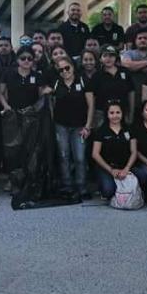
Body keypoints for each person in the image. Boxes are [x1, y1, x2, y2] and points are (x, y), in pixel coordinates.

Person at [50, 56, 94, 199]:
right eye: (61, 69)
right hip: (61, 126)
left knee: (80, 157)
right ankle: (67, 186)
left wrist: (88, 126)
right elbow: (51, 102)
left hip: (79, 126)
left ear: (73, 67)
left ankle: (82, 187)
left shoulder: (83, 80)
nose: (64, 71)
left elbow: (91, 105)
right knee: (63, 156)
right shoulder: (56, 83)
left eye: (67, 68)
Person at [91, 102, 147, 200]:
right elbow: (95, 154)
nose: (115, 116)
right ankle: (112, 186)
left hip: (127, 167)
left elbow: (134, 151)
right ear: (107, 115)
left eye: (118, 112)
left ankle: (128, 188)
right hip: (108, 168)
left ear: (122, 113)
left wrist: (126, 169)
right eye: (111, 113)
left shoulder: (129, 129)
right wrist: (111, 170)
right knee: (108, 191)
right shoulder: (101, 131)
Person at [0, 46, 50, 114]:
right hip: (12, 112)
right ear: (17, 59)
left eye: (29, 59)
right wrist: (6, 106)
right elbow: (1, 93)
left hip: (32, 114)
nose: (26, 61)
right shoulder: (7, 73)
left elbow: (40, 97)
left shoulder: (38, 76)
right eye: (23, 58)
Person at [91, 46, 135, 124]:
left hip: (122, 112)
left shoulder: (125, 72)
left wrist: (131, 114)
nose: (108, 58)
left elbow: (131, 93)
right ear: (100, 59)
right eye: (105, 56)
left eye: (111, 55)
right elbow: (92, 99)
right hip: (102, 115)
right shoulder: (96, 76)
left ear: (116, 57)